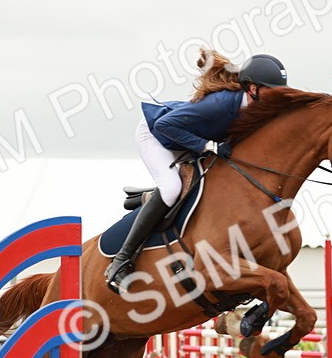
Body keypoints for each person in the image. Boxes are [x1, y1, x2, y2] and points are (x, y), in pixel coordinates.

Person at [104, 50, 288, 293]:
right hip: (156, 135)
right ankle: (121, 261)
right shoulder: (221, 103)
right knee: (171, 189)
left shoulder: (255, 108)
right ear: (251, 88)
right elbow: (164, 125)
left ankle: (149, 198)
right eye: (271, 91)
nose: (276, 97)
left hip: (186, 138)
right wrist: (208, 146)